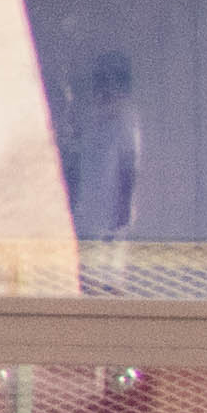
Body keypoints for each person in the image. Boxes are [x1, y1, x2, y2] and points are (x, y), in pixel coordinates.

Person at [65, 50, 143, 289]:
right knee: (87, 281)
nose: (105, 88)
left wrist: (121, 213)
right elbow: (77, 164)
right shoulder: (92, 119)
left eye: (112, 81)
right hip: (87, 216)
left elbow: (129, 167)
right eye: (100, 80)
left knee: (110, 281)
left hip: (111, 221)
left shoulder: (126, 119)